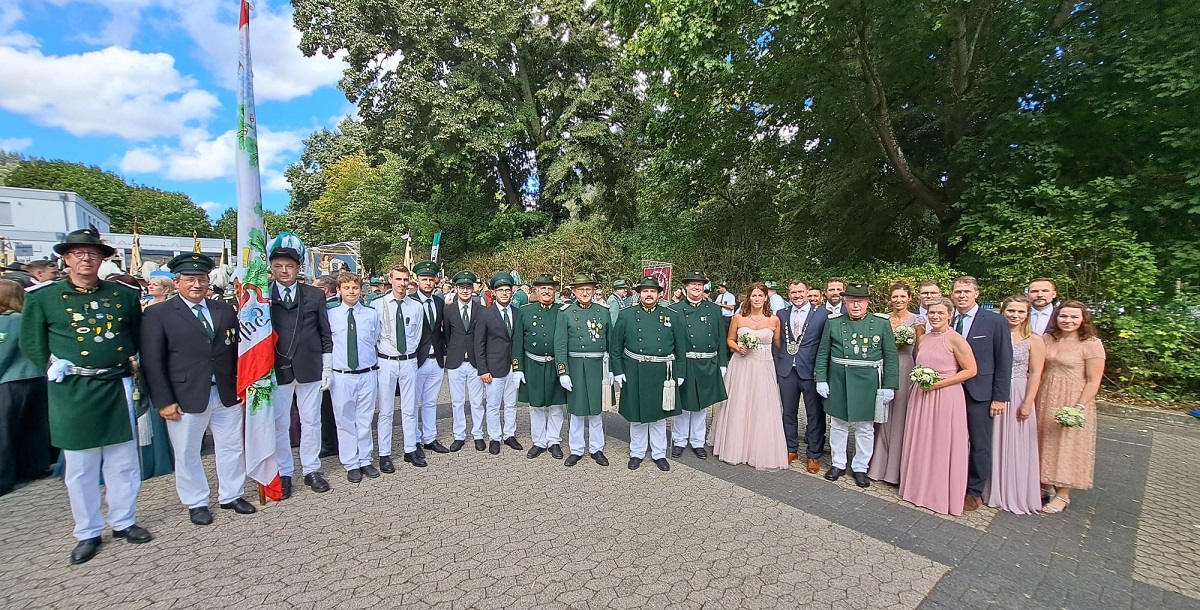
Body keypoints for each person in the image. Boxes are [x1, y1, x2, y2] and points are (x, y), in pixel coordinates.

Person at [20, 229, 152, 564]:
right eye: (78, 253)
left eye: (92, 253)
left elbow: (135, 336)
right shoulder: (43, 297)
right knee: (80, 466)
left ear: (101, 258)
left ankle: (123, 521)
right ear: (66, 258)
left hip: (116, 383)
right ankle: (88, 531)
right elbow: (32, 344)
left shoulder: (122, 295)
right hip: (72, 389)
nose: (85, 258)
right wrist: (53, 369)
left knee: (123, 461)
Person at [141, 253, 255, 525]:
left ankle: (232, 494)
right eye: (190, 280)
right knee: (187, 451)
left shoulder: (223, 309)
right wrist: (164, 400)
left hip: (225, 392)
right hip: (185, 395)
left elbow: (234, 349)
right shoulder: (159, 314)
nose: (196, 285)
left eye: (202, 279)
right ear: (177, 282)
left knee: (231, 447)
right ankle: (196, 501)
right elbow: (152, 361)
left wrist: (241, 385)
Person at [267, 233, 334, 497]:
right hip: (277, 368)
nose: (284, 271)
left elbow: (324, 333)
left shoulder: (314, 295)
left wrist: (326, 366)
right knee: (280, 424)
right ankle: (284, 472)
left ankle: (311, 469)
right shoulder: (261, 296)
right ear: (271, 268)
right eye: (279, 266)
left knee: (311, 421)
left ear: (298, 268)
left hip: (310, 366)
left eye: (290, 266)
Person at [814, 283, 899, 488]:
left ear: (867, 302)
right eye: (851, 301)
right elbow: (823, 352)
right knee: (838, 424)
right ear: (845, 302)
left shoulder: (880, 323)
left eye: (859, 301)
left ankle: (861, 467)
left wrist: (889, 385)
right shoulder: (834, 322)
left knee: (865, 427)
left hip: (868, 381)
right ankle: (838, 463)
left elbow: (891, 356)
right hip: (839, 379)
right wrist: (821, 378)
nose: (855, 305)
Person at [899, 298, 977, 515]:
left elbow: (970, 370)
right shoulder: (922, 339)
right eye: (932, 313)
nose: (935, 316)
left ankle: (940, 493)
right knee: (922, 440)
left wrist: (939, 384)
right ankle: (917, 488)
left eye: (940, 313)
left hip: (946, 396)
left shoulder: (956, 339)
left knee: (942, 443)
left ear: (950, 314)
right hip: (921, 395)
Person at [1036, 300, 1105, 514]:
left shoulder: (1091, 343)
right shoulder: (1048, 338)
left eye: (1074, 316)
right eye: (1063, 316)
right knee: (1043, 439)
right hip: (1046, 393)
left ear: (1083, 319)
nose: (1068, 320)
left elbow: (1094, 380)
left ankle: (1063, 493)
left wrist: (1079, 406)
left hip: (1072, 397)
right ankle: (1044, 484)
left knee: (1067, 444)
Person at [950, 276, 1013, 511]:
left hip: (980, 392)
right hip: (951, 391)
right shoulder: (949, 319)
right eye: (957, 291)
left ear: (976, 293)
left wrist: (1000, 396)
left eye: (966, 291)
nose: (962, 295)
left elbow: (1004, 360)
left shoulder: (994, 321)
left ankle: (974, 490)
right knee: (952, 440)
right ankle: (952, 482)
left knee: (980, 443)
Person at [611, 277, 686, 471]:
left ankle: (659, 453)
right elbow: (615, 346)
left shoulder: (671, 315)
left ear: (659, 294)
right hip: (635, 369)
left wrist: (680, 373)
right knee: (637, 415)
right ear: (639, 293)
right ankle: (636, 452)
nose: (649, 294)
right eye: (645, 291)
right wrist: (618, 371)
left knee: (659, 415)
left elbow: (680, 348)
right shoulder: (626, 315)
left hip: (662, 371)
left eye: (653, 291)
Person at [712, 283, 787, 470]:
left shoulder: (774, 320)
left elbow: (778, 344)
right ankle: (735, 447)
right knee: (739, 403)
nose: (757, 299)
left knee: (762, 406)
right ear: (748, 298)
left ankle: (758, 448)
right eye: (753, 295)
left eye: (760, 295)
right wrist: (738, 347)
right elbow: (729, 339)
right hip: (741, 365)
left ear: (765, 298)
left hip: (763, 366)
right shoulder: (738, 318)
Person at [985, 295, 1045, 514]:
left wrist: (1028, 402)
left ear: (1027, 314)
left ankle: (1015, 489)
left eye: (1020, 312)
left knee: (1016, 441)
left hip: (1019, 391)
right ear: (1003, 312)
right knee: (992, 439)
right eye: (1011, 311)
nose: (1015, 315)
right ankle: (992, 487)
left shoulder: (1034, 339)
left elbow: (1036, 372)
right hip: (993, 389)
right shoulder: (994, 334)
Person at [867, 282, 926, 484]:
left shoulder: (917, 321)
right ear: (890, 299)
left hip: (904, 367)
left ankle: (895, 469)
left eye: (902, 297)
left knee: (899, 416)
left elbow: (920, 350)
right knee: (879, 416)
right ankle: (876, 464)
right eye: (895, 297)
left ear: (910, 298)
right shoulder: (883, 319)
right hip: (881, 368)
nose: (898, 300)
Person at [327, 272, 382, 483]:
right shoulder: (331, 314)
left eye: (355, 288)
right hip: (342, 376)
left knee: (365, 419)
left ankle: (365, 459)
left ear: (362, 290)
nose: (351, 292)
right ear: (339, 290)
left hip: (367, 373)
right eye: (347, 288)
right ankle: (351, 462)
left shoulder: (370, 314)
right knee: (344, 420)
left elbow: (375, 337)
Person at [553, 272, 611, 467]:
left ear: (594, 291)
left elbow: (611, 342)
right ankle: (576, 450)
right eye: (581, 290)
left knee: (596, 411)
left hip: (596, 366)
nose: (585, 293)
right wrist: (563, 371)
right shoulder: (565, 313)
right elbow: (559, 345)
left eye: (589, 289)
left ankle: (597, 449)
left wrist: (611, 369)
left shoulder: (603, 312)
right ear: (574, 292)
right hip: (576, 366)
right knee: (576, 411)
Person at [670, 270, 728, 459]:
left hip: (707, 362)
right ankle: (679, 440)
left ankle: (697, 441)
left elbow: (721, 337)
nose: (696, 287)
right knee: (684, 404)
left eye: (700, 284)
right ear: (686, 287)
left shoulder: (713, 309)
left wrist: (722, 362)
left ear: (704, 287)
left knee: (702, 405)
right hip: (685, 362)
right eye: (693, 284)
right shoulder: (675, 310)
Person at [0, 279, 50, 496]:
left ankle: (3, 477)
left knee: (4, 430)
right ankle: (35, 466)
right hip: (36, 378)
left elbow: (3, 353)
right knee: (34, 427)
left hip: (10, 381)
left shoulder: (7, 321)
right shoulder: (27, 318)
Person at [773, 279, 829, 472]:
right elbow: (776, 341)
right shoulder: (781, 314)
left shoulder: (823, 314)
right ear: (788, 294)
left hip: (810, 370)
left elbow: (825, 345)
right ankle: (791, 448)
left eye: (800, 292)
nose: (797, 295)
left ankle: (813, 454)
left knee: (814, 414)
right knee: (788, 412)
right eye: (793, 292)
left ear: (808, 293)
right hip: (787, 370)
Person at [375, 265, 426, 468]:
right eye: (398, 279)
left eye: (405, 280)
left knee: (410, 408)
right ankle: (385, 454)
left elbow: (418, 335)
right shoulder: (378, 305)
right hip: (386, 361)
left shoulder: (416, 307)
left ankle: (410, 449)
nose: (402, 284)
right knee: (386, 410)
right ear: (391, 279)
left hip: (408, 361)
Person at [514, 273, 569, 459]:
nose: (546, 291)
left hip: (554, 364)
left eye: (550, 288)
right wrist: (518, 367)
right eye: (543, 288)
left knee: (555, 405)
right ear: (536, 291)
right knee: (535, 405)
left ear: (555, 291)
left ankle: (554, 441)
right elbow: (517, 341)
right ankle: (538, 442)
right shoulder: (524, 311)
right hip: (533, 363)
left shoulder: (562, 311)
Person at [473, 272, 524, 454]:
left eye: (507, 290)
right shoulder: (486, 314)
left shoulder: (518, 313)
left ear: (512, 292)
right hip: (493, 368)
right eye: (500, 290)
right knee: (493, 404)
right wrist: (483, 369)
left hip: (513, 366)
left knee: (511, 403)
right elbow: (479, 344)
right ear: (494, 293)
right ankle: (495, 437)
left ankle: (509, 434)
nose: (504, 293)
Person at [443, 271, 486, 452]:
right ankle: (459, 435)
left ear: (473, 289)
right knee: (457, 401)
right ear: (456, 289)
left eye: (468, 288)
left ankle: (478, 434)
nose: (465, 291)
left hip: (475, 361)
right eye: (462, 288)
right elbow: (446, 335)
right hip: (455, 361)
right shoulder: (449, 310)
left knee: (477, 401)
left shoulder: (481, 310)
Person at [410, 260, 449, 456]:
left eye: (431, 280)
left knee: (431, 401)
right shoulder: (409, 301)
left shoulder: (439, 302)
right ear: (417, 280)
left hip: (437, 359)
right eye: (424, 279)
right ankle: (413, 439)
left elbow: (442, 330)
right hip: (417, 359)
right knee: (413, 402)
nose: (428, 283)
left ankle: (430, 438)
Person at [312, 274, 341, 458]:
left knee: (328, 407)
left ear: (324, 290)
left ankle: (330, 443)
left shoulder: (327, 308)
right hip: (338, 363)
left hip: (332, 362)